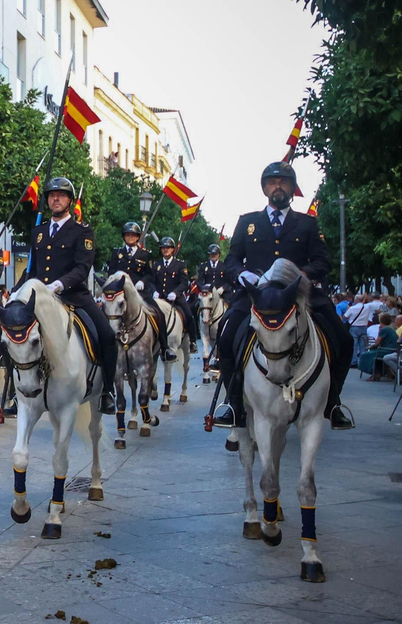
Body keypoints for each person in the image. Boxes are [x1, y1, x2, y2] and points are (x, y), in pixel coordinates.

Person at [213, 161, 354, 431]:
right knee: (227, 335)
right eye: (272, 182)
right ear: (265, 188)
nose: (278, 186)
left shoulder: (307, 223)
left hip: (298, 294)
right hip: (257, 295)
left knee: (343, 339)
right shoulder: (248, 222)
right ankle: (233, 404)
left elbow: (323, 261)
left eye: (284, 182)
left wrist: (302, 273)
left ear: (292, 188)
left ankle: (332, 401)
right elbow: (232, 258)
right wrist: (242, 274)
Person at [17, 176, 119, 416]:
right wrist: (18, 290)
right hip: (41, 300)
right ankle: (16, 390)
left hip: (74, 297)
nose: (55, 199)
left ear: (70, 201)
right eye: (52, 195)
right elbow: (32, 269)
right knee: (14, 332)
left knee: (106, 336)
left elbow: (82, 268)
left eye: (61, 195)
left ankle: (108, 391)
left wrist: (59, 285)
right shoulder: (39, 232)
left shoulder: (82, 231)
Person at [107, 222, 172, 352]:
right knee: (105, 312)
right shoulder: (116, 253)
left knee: (159, 314)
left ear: (138, 237)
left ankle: (165, 348)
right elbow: (111, 272)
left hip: (139, 292)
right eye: (127, 235)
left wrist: (143, 281)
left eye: (133, 235)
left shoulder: (145, 254)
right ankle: (105, 346)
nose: (130, 237)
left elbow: (149, 274)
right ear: (124, 237)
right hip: (119, 292)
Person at [150, 236, 196, 354]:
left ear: (173, 250)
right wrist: (154, 291)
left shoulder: (180, 265)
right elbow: (151, 281)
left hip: (175, 297)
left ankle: (192, 341)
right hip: (159, 297)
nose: (165, 250)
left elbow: (184, 282)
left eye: (168, 248)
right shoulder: (156, 264)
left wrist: (175, 293)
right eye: (163, 248)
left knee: (189, 315)